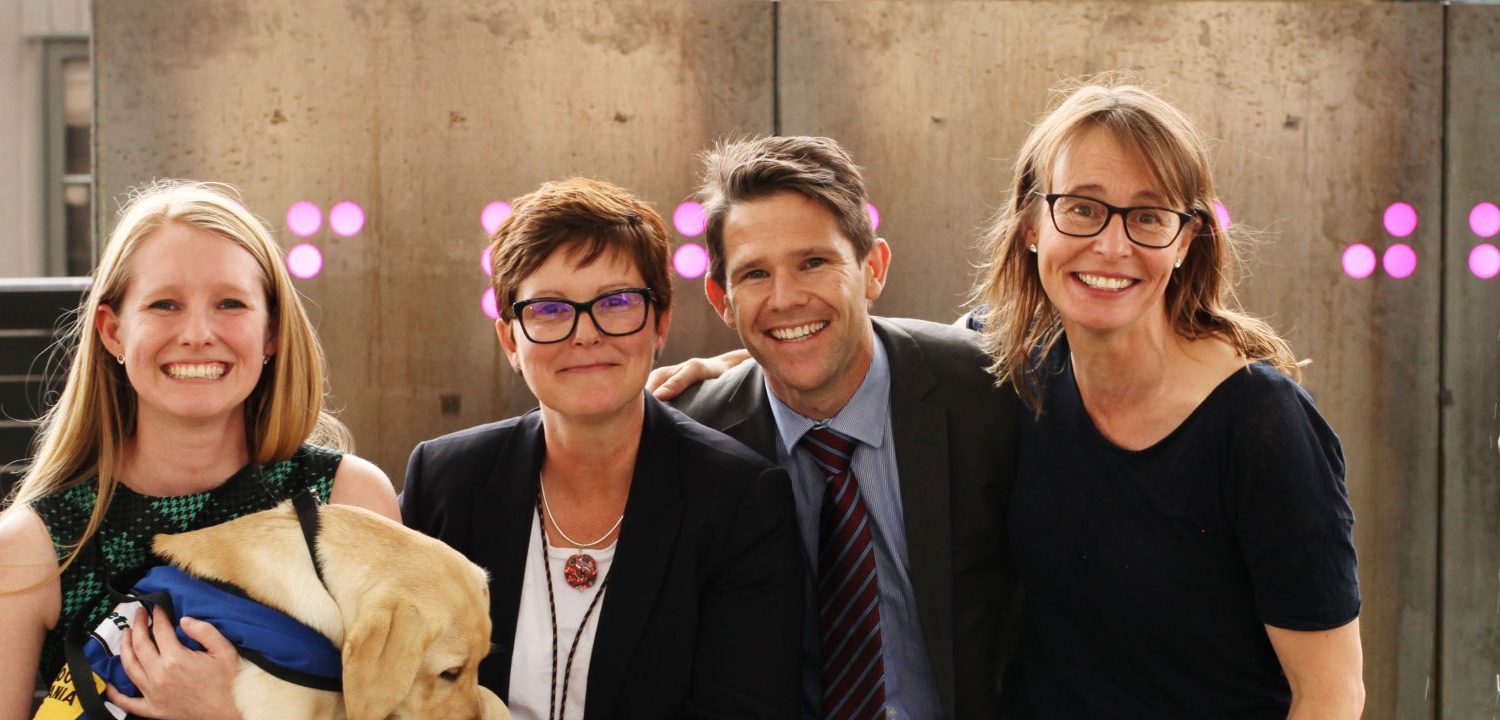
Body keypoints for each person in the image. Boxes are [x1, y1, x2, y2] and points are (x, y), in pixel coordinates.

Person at [972, 81, 1363, 718]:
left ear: (1186, 241)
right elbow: (897, 361)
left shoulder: (1262, 422)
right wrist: (758, 371)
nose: (1112, 245)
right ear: (1030, 222)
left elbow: (1332, 695)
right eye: (1081, 207)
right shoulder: (1019, 365)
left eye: (1149, 217)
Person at [401, 177, 803, 719]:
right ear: (509, 341)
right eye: (548, 310)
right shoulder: (445, 479)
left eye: (615, 302)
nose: (584, 335)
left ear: (660, 322)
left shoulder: (740, 500)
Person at [0, 180, 398, 720]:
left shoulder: (348, 501)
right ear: (113, 332)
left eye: (230, 303)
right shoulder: (32, 548)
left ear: (272, 332)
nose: (197, 333)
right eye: (164, 304)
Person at [662, 135, 1023, 720]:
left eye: (814, 262)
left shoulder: (990, 390)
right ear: (721, 301)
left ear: (872, 268)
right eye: (755, 274)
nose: (786, 298)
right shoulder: (692, 439)